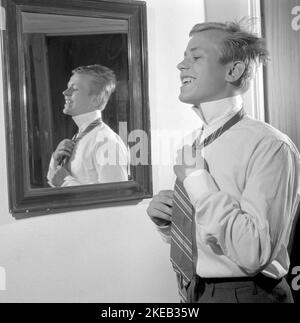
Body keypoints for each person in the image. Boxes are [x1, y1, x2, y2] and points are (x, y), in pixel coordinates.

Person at [147, 21, 300, 303]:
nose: (181, 66)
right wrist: (168, 223)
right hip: (195, 290)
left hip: (249, 294)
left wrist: (197, 181)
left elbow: (253, 251)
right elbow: (210, 240)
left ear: (233, 70)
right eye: (183, 57)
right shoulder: (192, 144)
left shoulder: (270, 145)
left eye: (195, 57)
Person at [47, 64, 129, 187]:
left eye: (74, 89)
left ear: (95, 100)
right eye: (68, 87)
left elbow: (117, 197)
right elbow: (53, 181)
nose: (65, 92)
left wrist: (66, 182)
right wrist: (55, 159)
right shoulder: (80, 137)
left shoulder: (107, 142)